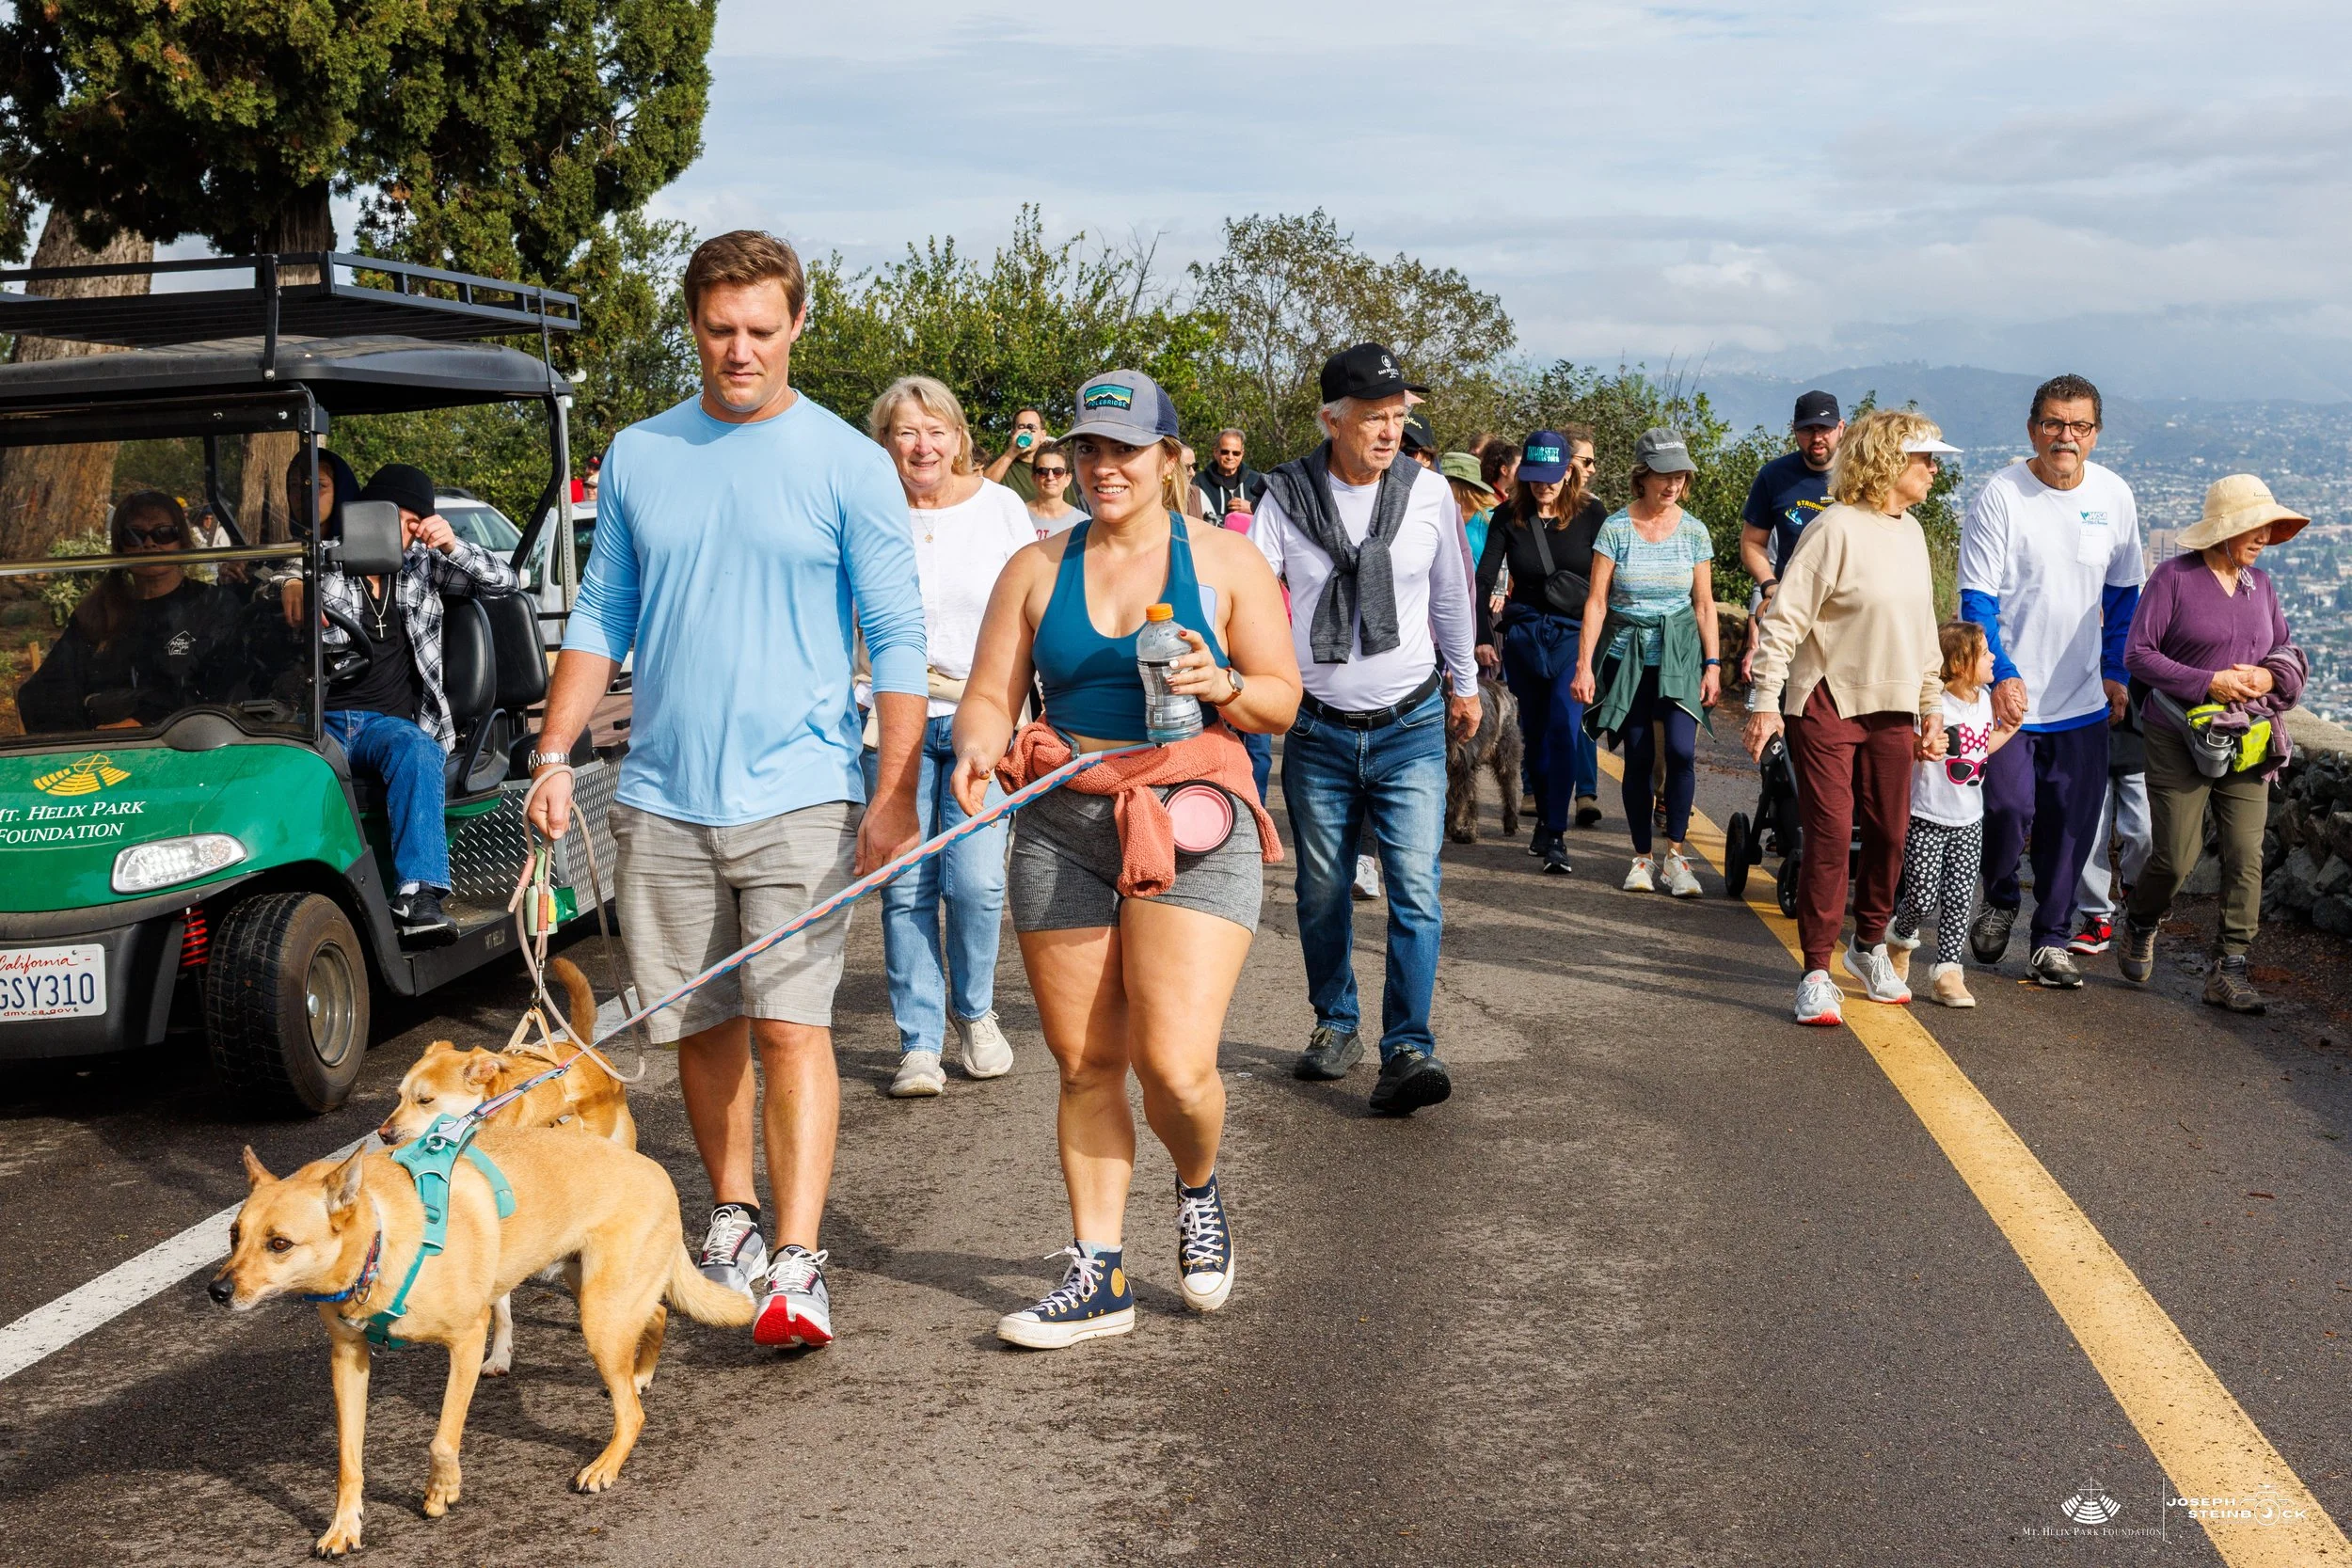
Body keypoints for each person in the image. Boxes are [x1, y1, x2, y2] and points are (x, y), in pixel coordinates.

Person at [527, 230, 928, 1351]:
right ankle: (734, 1215)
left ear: (798, 325)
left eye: (761, 329)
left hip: (802, 791)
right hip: (658, 794)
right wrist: (555, 754)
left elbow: (896, 635)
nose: (739, 351)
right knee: (701, 1026)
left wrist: (891, 794)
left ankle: (799, 1258)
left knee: (793, 1028)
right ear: (692, 325)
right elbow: (602, 615)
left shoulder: (849, 460)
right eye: (719, 329)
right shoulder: (642, 453)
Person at [950, 368, 1300, 1349]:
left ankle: (1195, 1183)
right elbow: (988, 695)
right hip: (1064, 816)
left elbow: (1281, 698)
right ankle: (1097, 1273)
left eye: (1126, 450)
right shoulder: (1034, 567)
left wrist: (1222, 678)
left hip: (1191, 812)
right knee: (1084, 1060)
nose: (1104, 467)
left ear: (1169, 459)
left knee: (1175, 1066)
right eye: (1090, 449)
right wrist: (979, 741)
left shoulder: (1227, 562)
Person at [1254, 342, 1482, 1113]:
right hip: (1317, 728)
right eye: (1374, 418)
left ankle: (1409, 1046)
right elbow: (1253, 599)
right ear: (1332, 419)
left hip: (1411, 722)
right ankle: (1335, 1021)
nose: (1390, 432)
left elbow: (1451, 594)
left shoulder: (1428, 494)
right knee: (1321, 890)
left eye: (1398, 417)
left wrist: (1467, 684)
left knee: (1415, 888)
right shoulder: (1283, 497)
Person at [1744, 410, 1955, 1024]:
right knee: (1832, 835)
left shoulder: (1912, 533)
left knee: (1891, 835)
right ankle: (1815, 970)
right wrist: (1764, 703)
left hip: (1891, 705)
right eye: (1925, 458)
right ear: (1890, 460)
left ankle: (1868, 946)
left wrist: (1933, 710)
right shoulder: (1833, 528)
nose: (1934, 469)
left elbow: (1921, 636)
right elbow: (1784, 619)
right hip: (1826, 698)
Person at [865, 375, 1035, 1098]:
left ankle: (975, 1011)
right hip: (892, 718)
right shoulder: (869, 513)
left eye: (935, 429)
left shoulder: (1001, 509)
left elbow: (1035, 609)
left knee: (976, 881)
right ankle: (919, 1043)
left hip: (984, 712)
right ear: (885, 444)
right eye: (906, 431)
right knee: (905, 886)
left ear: (961, 438)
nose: (922, 444)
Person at [1960, 373, 2144, 989]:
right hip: (2011, 703)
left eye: (2079, 426)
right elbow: (1977, 600)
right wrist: (2003, 675)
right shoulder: (2003, 495)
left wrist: (2116, 672)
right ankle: (2002, 893)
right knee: (2007, 808)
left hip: (2083, 703)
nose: (2066, 436)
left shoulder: (2115, 496)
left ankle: (2050, 941)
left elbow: (2123, 596)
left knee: (2072, 825)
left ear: (2095, 433)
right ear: (2033, 428)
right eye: (2054, 424)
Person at [294, 463, 521, 943]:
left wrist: (453, 544)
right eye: (403, 519)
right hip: (319, 723)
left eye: (420, 523)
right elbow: (276, 582)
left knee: (417, 748)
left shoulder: (424, 564)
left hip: (388, 727)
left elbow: (506, 582)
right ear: (370, 514)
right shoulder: (323, 561)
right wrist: (294, 587)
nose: (412, 533)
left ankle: (417, 897)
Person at [2119, 474, 2309, 1013]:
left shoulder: (2261, 586)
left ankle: (2229, 967)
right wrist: (2209, 682)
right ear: (2223, 531)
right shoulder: (2174, 579)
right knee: (2176, 856)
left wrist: (2270, 680)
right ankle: (2141, 918)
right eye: (2254, 526)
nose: (2264, 536)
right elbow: (2139, 654)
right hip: (2177, 733)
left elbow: (2285, 649)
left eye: (2268, 527)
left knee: (2247, 854)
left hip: (2246, 738)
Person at [1570, 429, 1720, 898]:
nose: (1673, 484)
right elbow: (1596, 603)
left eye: (1679, 475)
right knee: (1637, 756)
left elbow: (1705, 605)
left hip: (1679, 652)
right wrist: (1584, 666)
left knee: (1679, 752)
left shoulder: (1694, 530)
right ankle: (1641, 857)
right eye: (1663, 475)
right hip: (1625, 655)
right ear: (1643, 476)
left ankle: (1676, 855)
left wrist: (1712, 664)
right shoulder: (1614, 528)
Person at [1476, 428, 1605, 871]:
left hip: (1573, 635)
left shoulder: (1592, 515)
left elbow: (1606, 587)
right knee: (1536, 733)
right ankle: (1547, 819)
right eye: (1534, 477)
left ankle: (1556, 834)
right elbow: (1483, 578)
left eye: (1551, 477)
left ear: (1568, 473)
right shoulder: (1508, 515)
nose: (1542, 486)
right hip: (1526, 637)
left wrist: (1595, 653)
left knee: (1565, 731)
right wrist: (1480, 637)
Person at [18, 491, 241, 733]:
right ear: (121, 547)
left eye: (163, 533)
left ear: (183, 542)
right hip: (97, 751)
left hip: (184, 745)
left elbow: (223, 690)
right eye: (134, 535)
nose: (149, 543)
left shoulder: (214, 605)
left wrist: (148, 724)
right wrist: (83, 736)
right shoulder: (96, 613)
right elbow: (47, 690)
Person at [1892, 622, 2021, 1008]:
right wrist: (1920, 746)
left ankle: (1948, 971)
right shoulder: (1934, 704)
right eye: (1985, 653)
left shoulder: (1984, 701)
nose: (1993, 657)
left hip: (1969, 820)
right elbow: (1910, 744)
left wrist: (2008, 730)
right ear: (1962, 662)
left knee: (1960, 899)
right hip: (1927, 817)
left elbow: (1981, 749)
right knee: (1921, 895)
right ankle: (1899, 939)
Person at [1739, 390, 1842, 599]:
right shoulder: (1774, 476)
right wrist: (1769, 585)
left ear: (1840, 428)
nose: (1817, 438)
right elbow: (1751, 542)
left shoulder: (1863, 474)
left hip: (1850, 605)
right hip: (1795, 603)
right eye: (1807, 430)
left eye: (1824, 428)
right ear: (1793, 430)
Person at [2067, 740, 2150, 957]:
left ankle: (2132, 887)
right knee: (2090, 834)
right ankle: (2097, 918)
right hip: (2091, 736)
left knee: (2145, 832)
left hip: (2138, 735)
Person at [984, 405, 1073, 508]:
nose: (1026, 432)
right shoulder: (1002, 463)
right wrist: (1013, 451)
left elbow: (1069, 508)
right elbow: (983, 488)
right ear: (1013, 433)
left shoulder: (1056, 468)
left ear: (1042, 435)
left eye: (1032, 428)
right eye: (1021, 427)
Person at [1199, 428, 1265, 520]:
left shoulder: (1258, 481)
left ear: (1242, 454)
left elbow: (1271, 514)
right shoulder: (1199, 482)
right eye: (1225, 452)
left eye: (1236, 453)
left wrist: (1251, 507)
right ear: (1215, 452)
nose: (1230, 457)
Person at [1025, 442, 1087, 537]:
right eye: (1043, 471)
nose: (1050, 477)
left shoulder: (1082, 523)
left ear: (1068, 479)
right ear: (1034, 478)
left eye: (1057, 471)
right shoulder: (1019, 515)